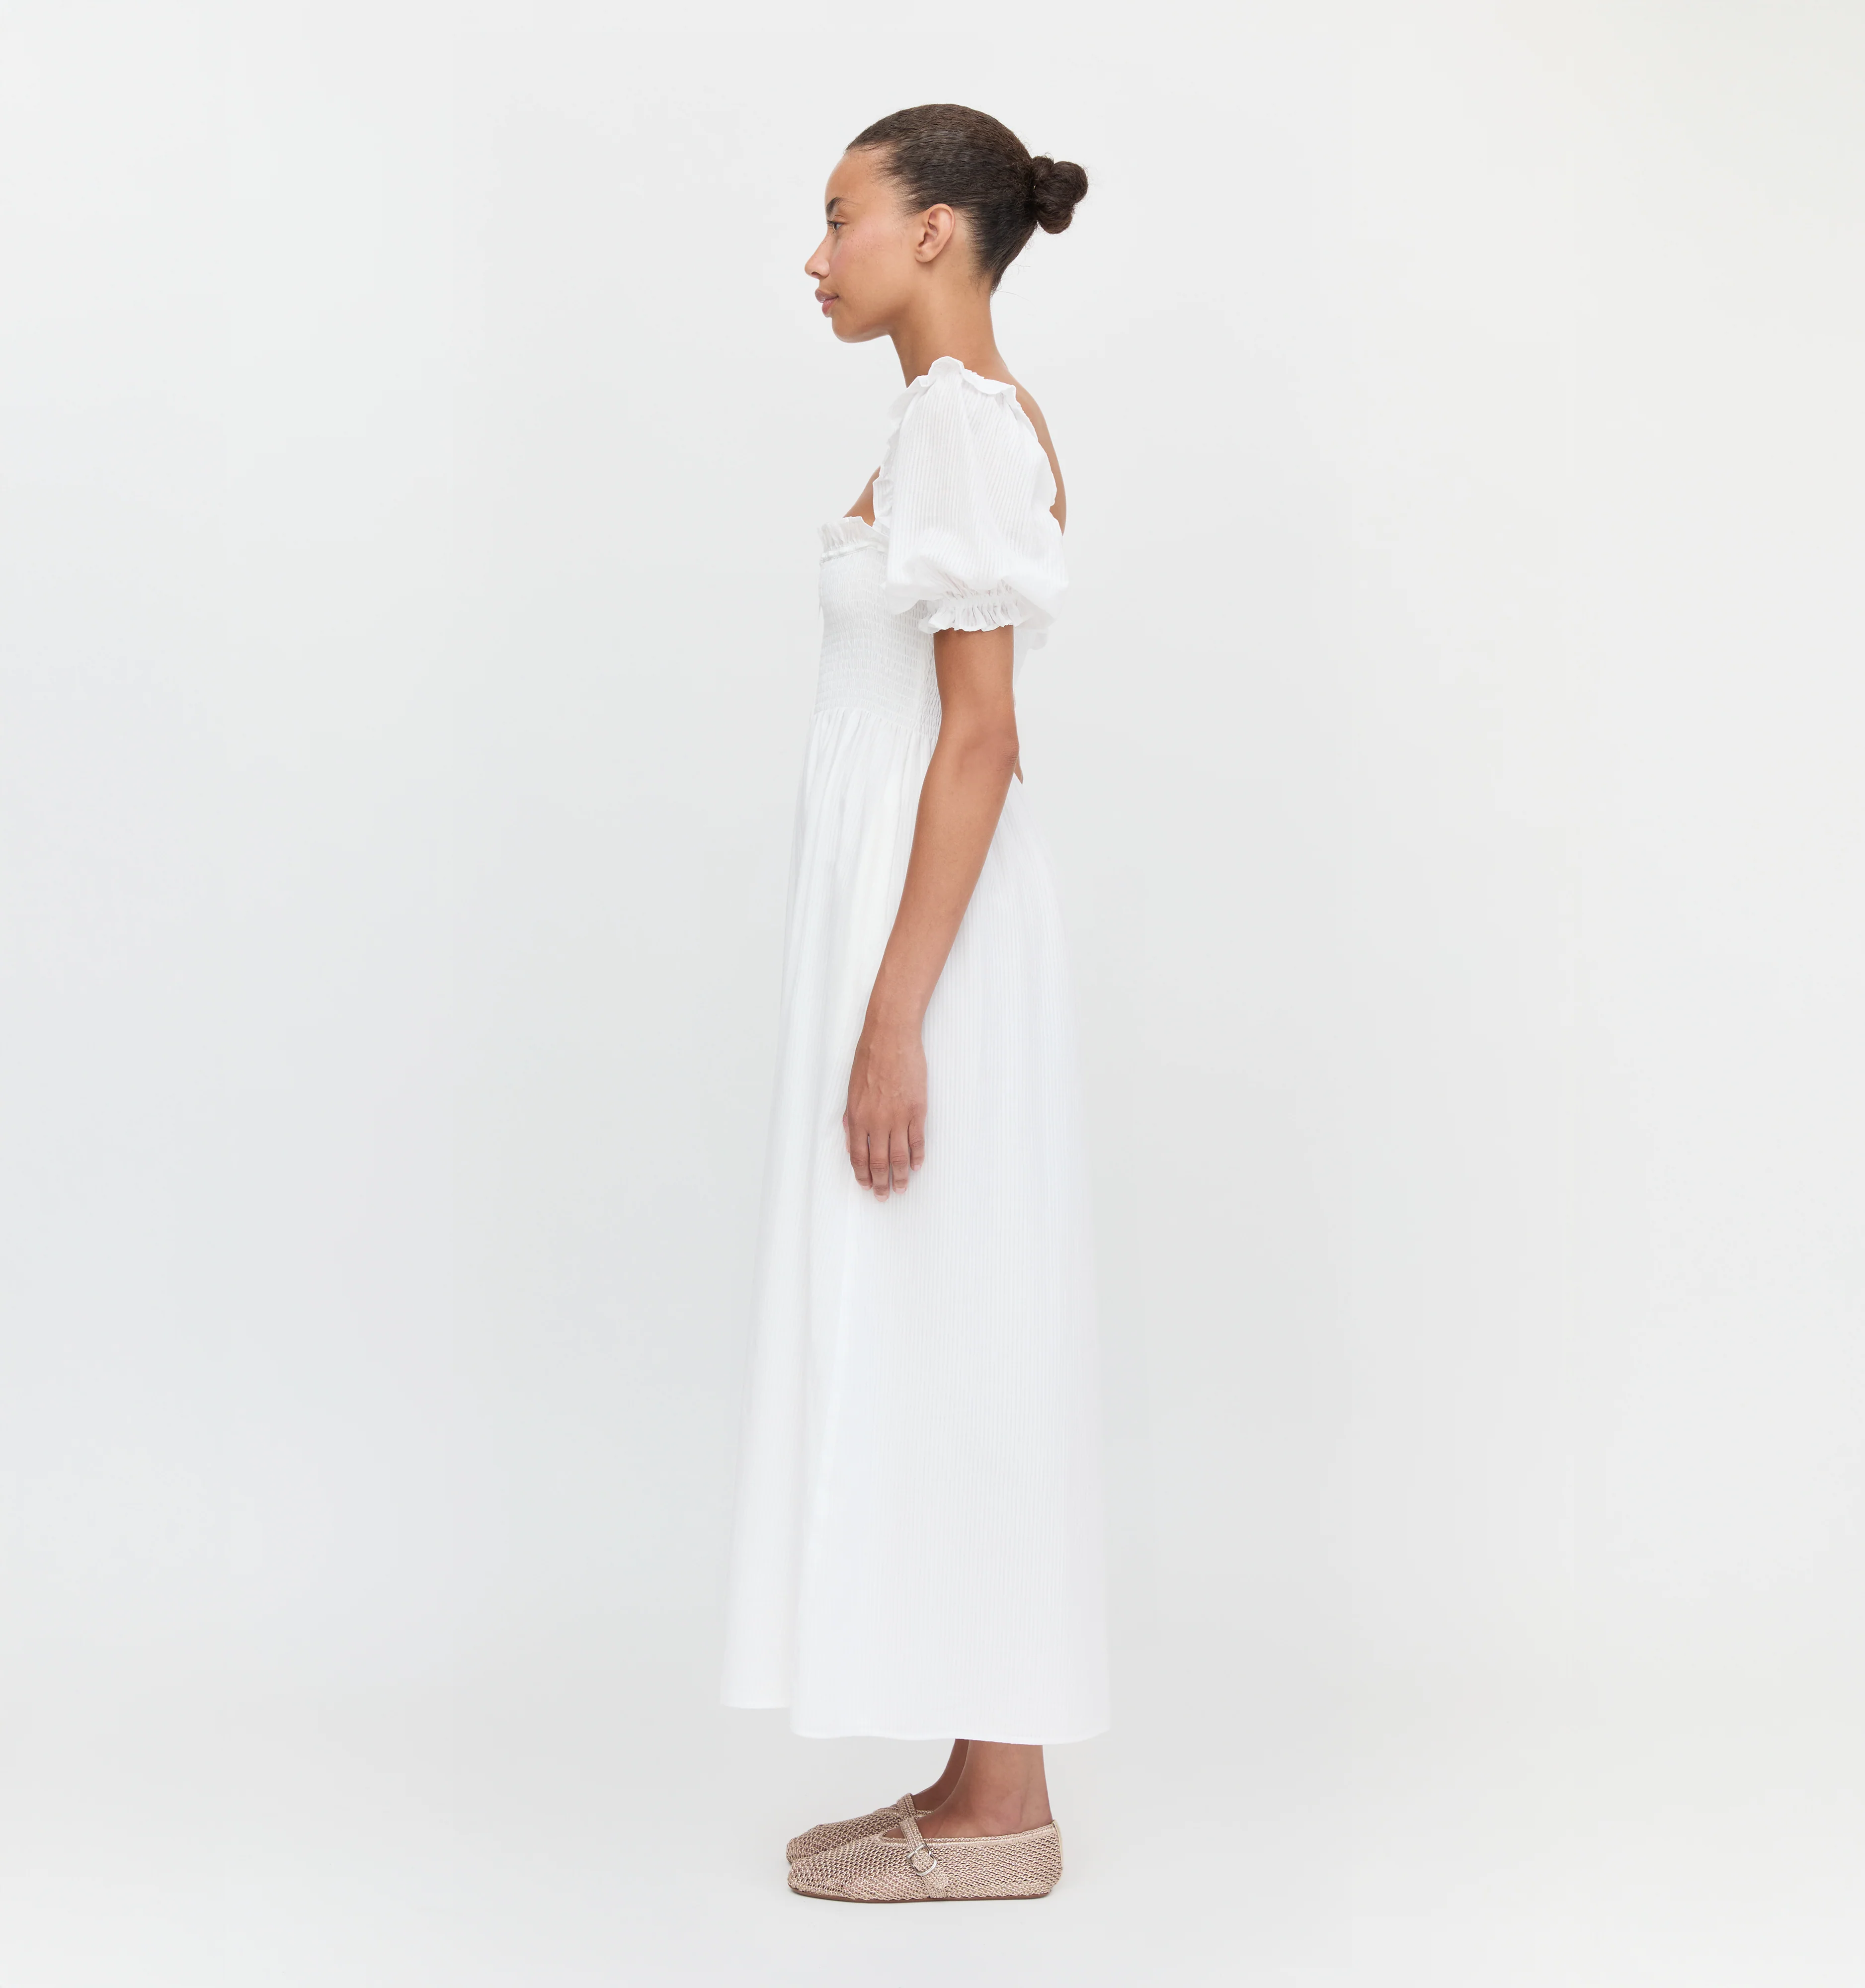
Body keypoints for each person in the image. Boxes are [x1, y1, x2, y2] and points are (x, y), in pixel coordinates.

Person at [720, 103, 1105, 1905]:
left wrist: (894, 1017)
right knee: (947, 1310)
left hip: (930, 947)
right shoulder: (955, 421)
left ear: (937, 229)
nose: (817, 257)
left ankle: (1003, 1809)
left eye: (843, 217)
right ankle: (977, 1776)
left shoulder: (959, 423)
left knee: (960, 1316)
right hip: (924, 929)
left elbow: (980, 740)